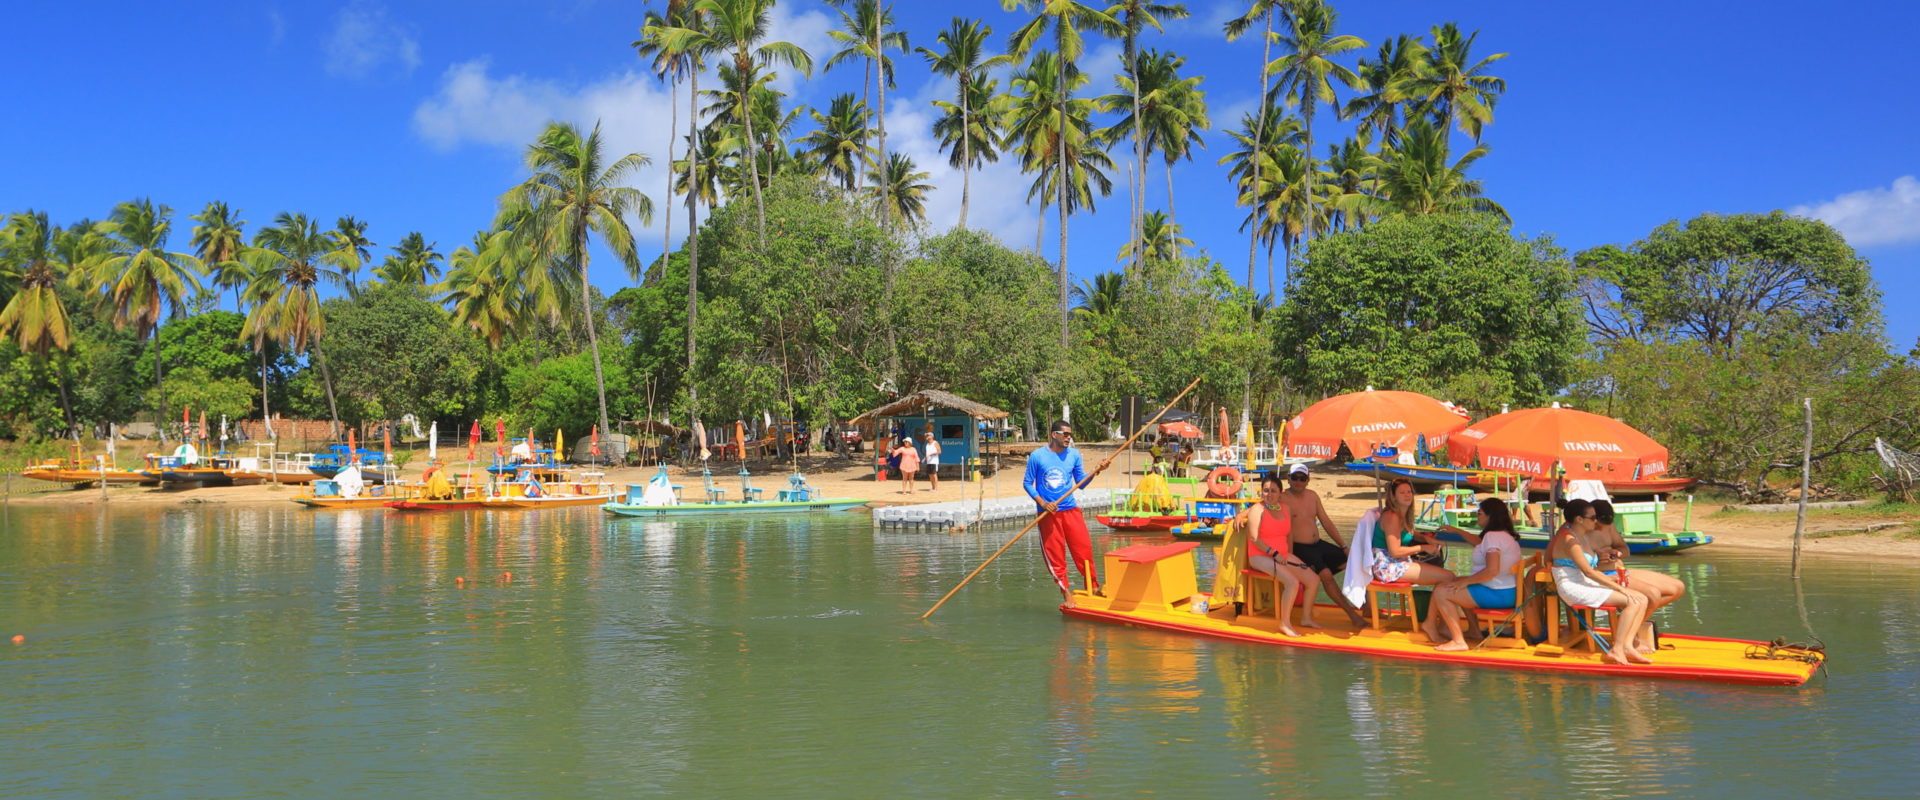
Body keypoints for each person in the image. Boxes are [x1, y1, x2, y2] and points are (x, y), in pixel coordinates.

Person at [1548, 499, 1653, 666]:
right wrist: (1619, 588)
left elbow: (1591, 569)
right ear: (1579, 519)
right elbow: (1588, 571)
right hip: (1573, 586)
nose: (1596, 521)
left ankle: (1627, 647)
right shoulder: (1569, 540)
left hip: (1583, 581)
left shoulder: (1580, 535)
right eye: (1593, 517)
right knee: (1632, 601)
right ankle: (1617, 649)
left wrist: (1611, 575)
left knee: (1643, 598)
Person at [1424, 498, 1526, 650]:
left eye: (1480, 513)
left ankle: (1458, 641)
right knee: (1455, 581)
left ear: (1490, 516)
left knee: (1441, 592)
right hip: (1508, 591)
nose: (1478, 516)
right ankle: (1473, 630)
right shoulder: (1502, 535)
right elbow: (1479, 544)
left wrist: (1467, 582)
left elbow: (1492, 570)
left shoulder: (1493, 537)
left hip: (1498, 595)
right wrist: (1457, 531)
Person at [1276, 463, 1369, 627]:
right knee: (1326, 575)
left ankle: (1366, 606)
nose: (1298, 481)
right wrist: (1243, 515)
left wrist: (1344, 546)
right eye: (1295, 478)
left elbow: (1326, 522)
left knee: (1356, 561)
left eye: (1302, 478)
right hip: (1299, 547)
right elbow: (1263, 506)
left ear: (1308, 480)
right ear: (1288, 479)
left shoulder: (1312, 496)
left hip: (1318, 545)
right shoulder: (1282, 498)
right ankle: (1352, 615)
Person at [1230, 472, 1320, 637]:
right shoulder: (1258, 509)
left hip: (1282, 554)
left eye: (1273, 491)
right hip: (1260, 556)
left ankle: (1306, 618)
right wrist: (1274, 553)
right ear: (1261, 492)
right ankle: (1284, 623)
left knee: (1313, 580)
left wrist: (1289, 555)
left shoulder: (1285, 508)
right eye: (1266, 490)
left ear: (1280, 493)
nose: (1269, 494)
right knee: (1292, 582)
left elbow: (1289, 535)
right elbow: (1254, 538)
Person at [1592, 499, 1684, 650]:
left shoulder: (1609, 527)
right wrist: (1598, 557)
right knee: (1652, 595)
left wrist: (1617, 553)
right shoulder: (1582, 533)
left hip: (1620, 570)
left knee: (1677, 588)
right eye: (1599, 523)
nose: (1601, 527)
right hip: (1603, 575)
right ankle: (1627, 637)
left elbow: (1624, 549)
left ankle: (1625, 623)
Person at [1024, 420, 1099, 607]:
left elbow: (1081, 483)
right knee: (1055, 556)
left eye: (1070, 434)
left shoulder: (1074, 455)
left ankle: (1094, 587)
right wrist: (1042, 502)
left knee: (1084, 550)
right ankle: (1066, 593)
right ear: (1053, 434)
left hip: (1070, 510)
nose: (1069, 437)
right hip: (1048, 514)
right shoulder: (1037, 456)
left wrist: (1096, 472)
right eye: (1065, 434)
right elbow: (1027, 483)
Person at [1372, 478, 1454, 587]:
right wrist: (1423, 547)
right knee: (1448, 577)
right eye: (1402, 492)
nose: (1407, 495)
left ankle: (1434, 603)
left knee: (1446, 576)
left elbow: (1409, 533)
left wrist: (1426, 539)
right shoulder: (1392, 517)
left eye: (1409, 492)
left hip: (1398, 562)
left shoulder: (1403, 515)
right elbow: (1395, 552)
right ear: (1394, 497)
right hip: (1386, 566)